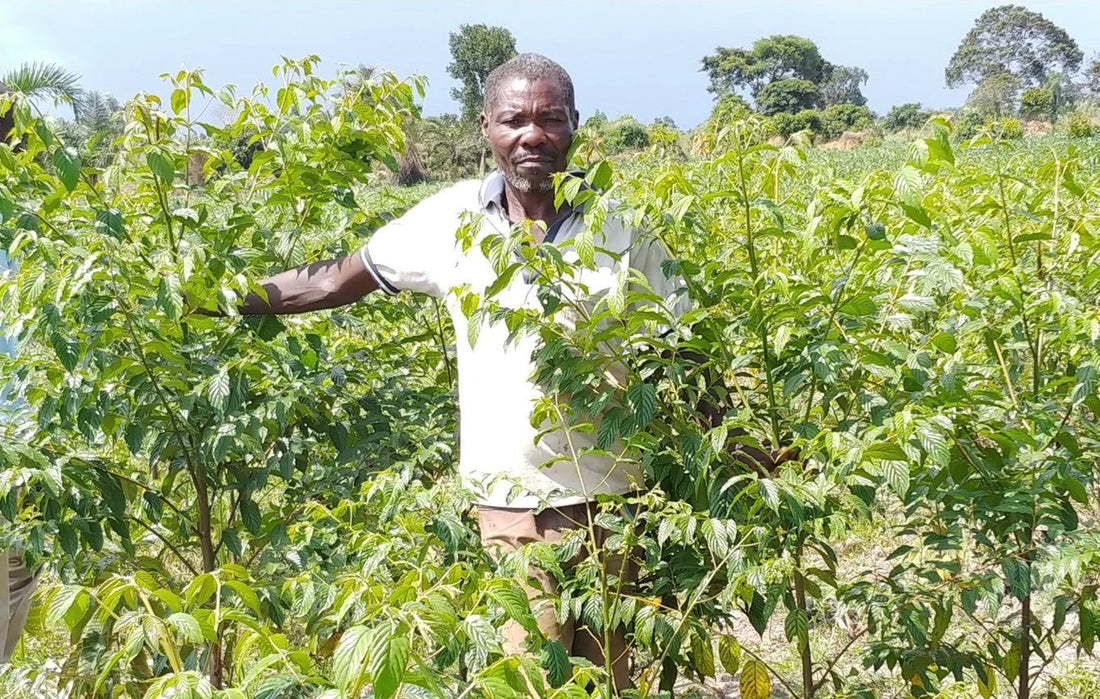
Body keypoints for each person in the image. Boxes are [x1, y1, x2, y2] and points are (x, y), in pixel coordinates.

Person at [237, 54, 686, 690]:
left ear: (575, 125)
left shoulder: (625, 227)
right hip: (510, 504)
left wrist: (740, 448)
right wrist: (223, 294)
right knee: (531, 675)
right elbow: (338, 281)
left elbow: (684, 345)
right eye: (514, 121)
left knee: (610, 676)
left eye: (550, 119)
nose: (533, 135)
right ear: (485, 128)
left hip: (615, 501)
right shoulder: (449, 219)